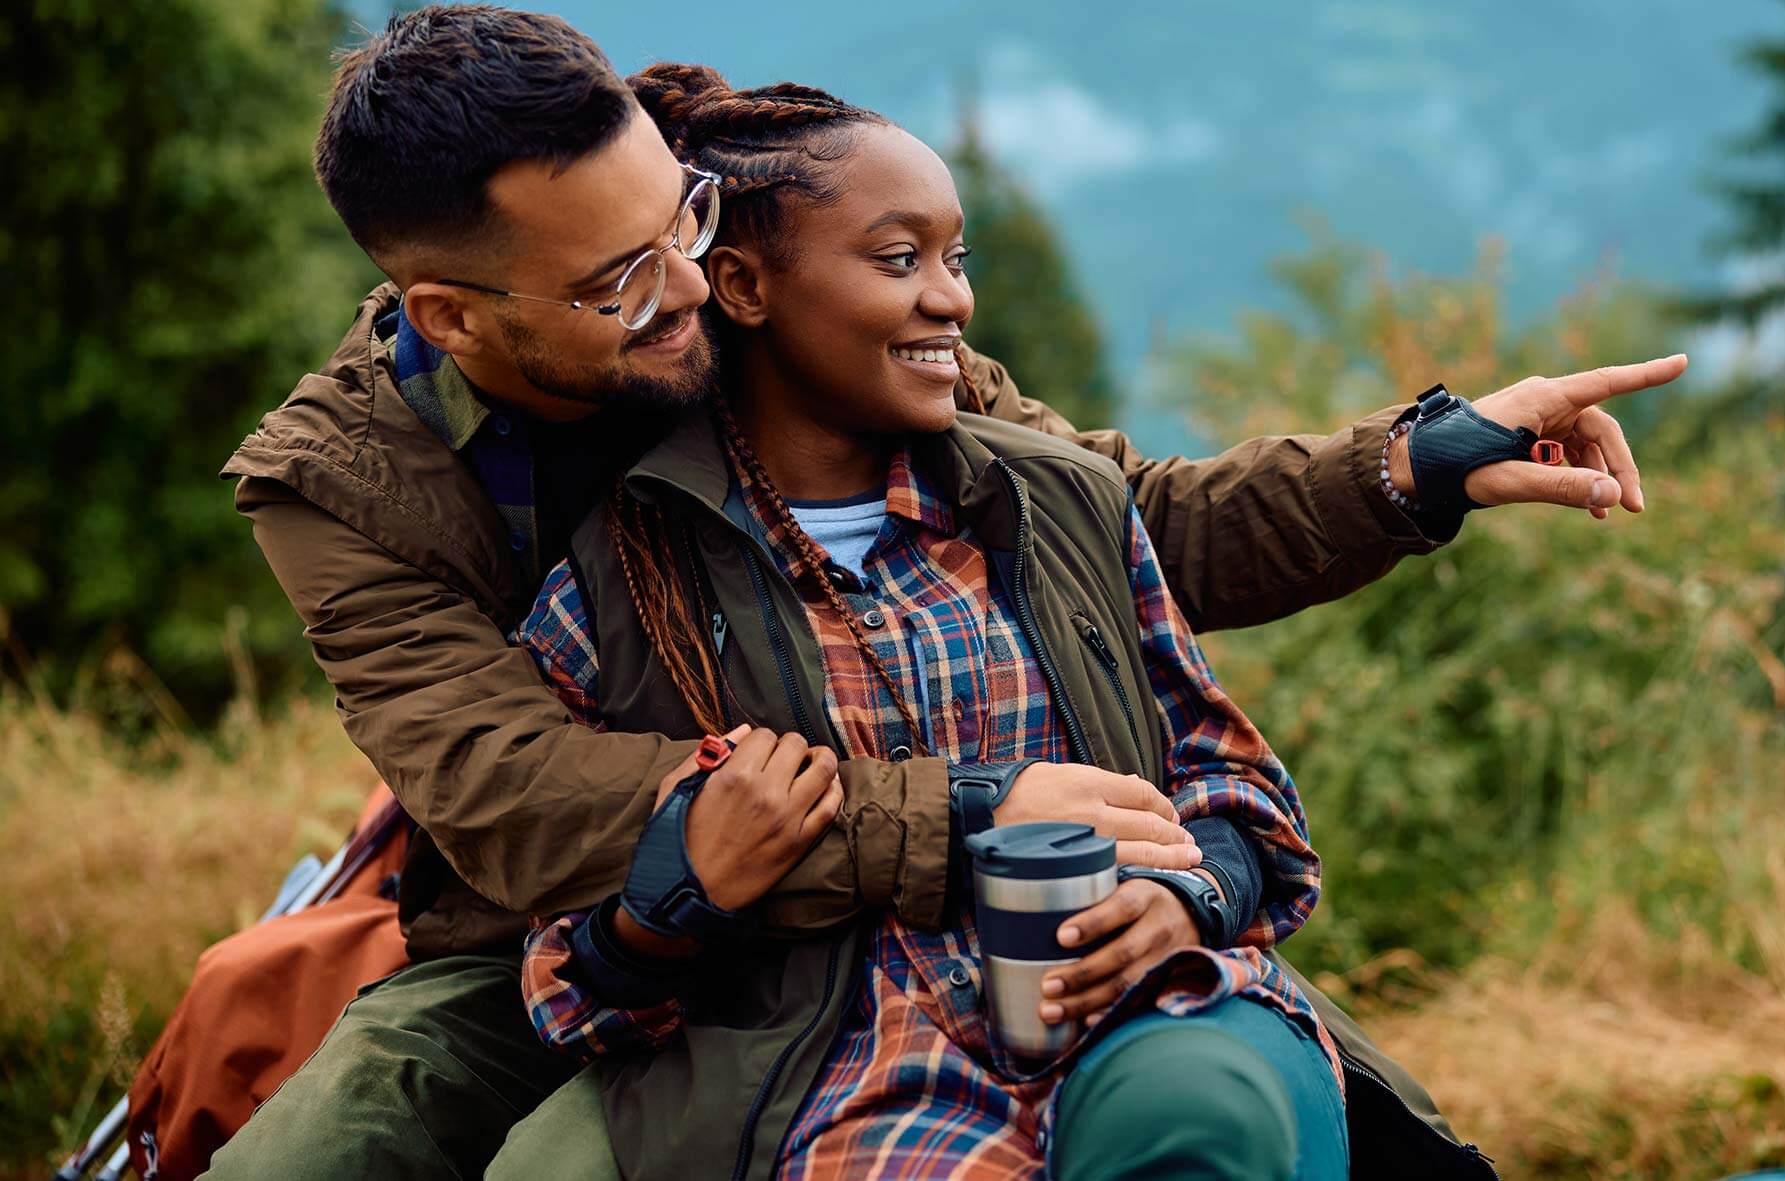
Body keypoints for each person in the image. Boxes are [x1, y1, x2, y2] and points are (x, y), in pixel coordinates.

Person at [207, 6, 1682, 1178]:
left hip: (930, 920)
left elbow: (1120, 523)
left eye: (688, 221)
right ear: (452, 313)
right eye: (616, 281)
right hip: (584, 927)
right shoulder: (340, 481)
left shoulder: (758, 307)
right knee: (322, 1153)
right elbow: (519, 797)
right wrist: (972, 806)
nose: (683, 287)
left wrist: (1417, 469)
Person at [492, 66, 1351, 1179]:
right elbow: (573, 979)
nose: (953, 300)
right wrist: (676, 898)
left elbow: (1235, 785)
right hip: (857, 1072)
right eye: (901, 260)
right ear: (744, 287)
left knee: (1194, 1123)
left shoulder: (1061, 505)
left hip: (1145, 1007)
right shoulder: (622, 583)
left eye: (956, 258)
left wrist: (1188, 896)